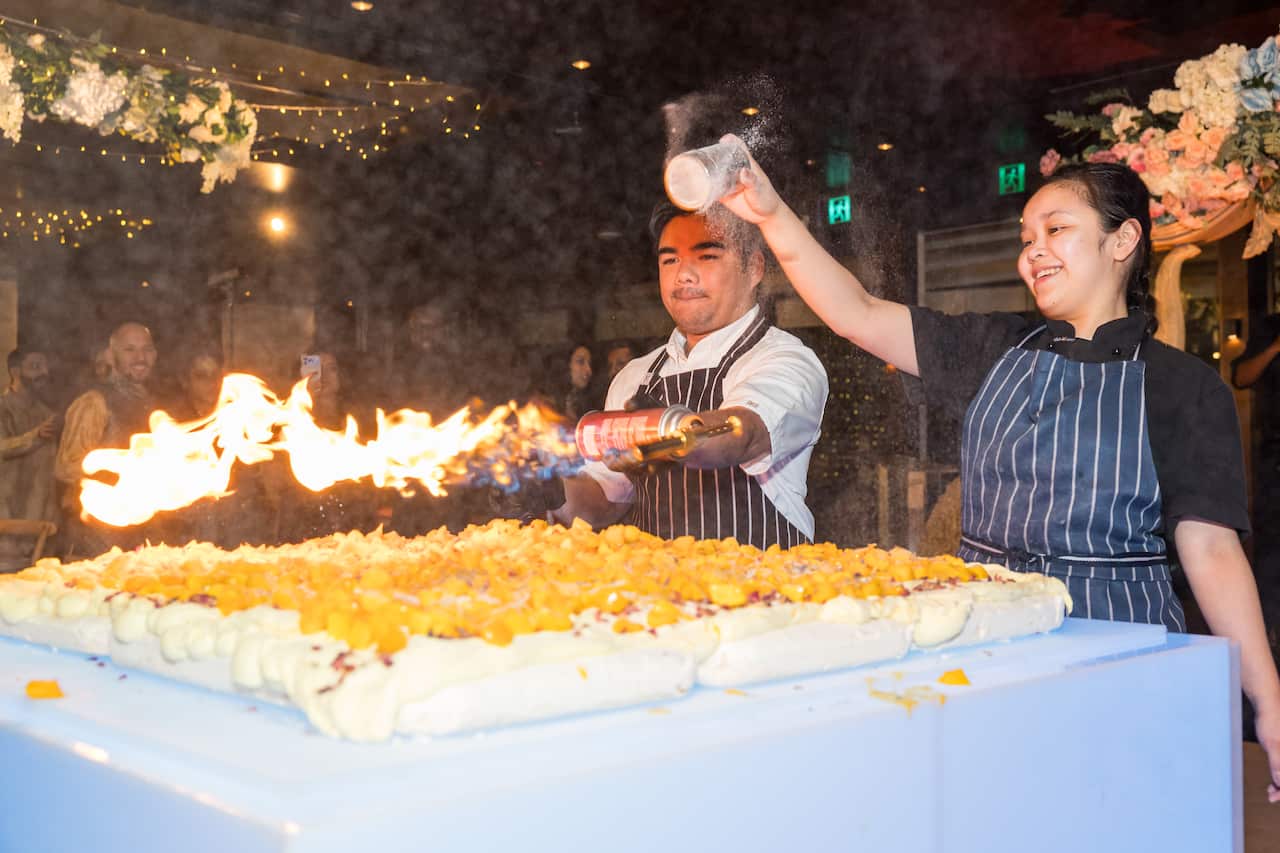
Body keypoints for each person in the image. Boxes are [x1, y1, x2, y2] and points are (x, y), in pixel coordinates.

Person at [716, 139, 1280, 801]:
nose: (1032, 251)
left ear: (1123, 240)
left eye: (1056, 230)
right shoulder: (994, 348)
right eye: (1026, 237)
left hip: (1121, 659)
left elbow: (1211, 550)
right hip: (988, 646)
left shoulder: (1185, 387)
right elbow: (856, 313)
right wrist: (771, 212)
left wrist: (1268, 700)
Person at [547, 203, 829, 548]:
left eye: (706, 256)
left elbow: (742, 434)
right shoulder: (635, 376)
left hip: (762, 578)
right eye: (670, 260)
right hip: (659, 580)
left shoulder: (785, 360)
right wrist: (548, 493)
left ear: (754, 267)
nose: (683, 275)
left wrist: (664, 433)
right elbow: (603, 500)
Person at [55, 322, 159, 557]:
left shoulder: (150, 405)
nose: (140, 358)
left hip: (139, 533)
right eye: (129, 350)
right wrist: (120, 474)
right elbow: (66, 466)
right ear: (111, 356)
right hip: (95, 538)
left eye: (147, 349)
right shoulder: (94, 402)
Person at [0, 349, 60, 568]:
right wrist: (34, 437)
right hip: (6, 520)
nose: (44, 373)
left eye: (44, 367)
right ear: (15, 371)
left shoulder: (46, 414)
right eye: (35, 367)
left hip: (41, 526)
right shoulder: (3, 408)